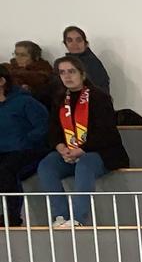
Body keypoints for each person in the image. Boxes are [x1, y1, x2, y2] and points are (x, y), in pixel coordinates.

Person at [36, 54, 127, 228]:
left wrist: (80, 150)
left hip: (100, 153)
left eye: (71, 71)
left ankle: (78, 218)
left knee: (85, 164)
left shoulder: (99, 98)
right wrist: (61, 147)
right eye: (62, 73)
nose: (67, 76)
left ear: (82, 74)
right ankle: (60, 216)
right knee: (47, 165)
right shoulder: (59, 99)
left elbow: (106, 134)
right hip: (69, 153)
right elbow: (53, 130)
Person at [0, 67, 48, 226]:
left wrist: (26, 140)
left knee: (7, 170)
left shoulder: (25, 101)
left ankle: (12, 217)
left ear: (2, 81)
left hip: (28, 150)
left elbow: (44, 126)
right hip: (5, 151)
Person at [60, 25, 112, 98]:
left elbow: (101, 92)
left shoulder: (93, 63)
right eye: (70, 40)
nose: (74, 44)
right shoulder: (62, 64)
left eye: (78, 40)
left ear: (85, 43)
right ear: (65, 44)